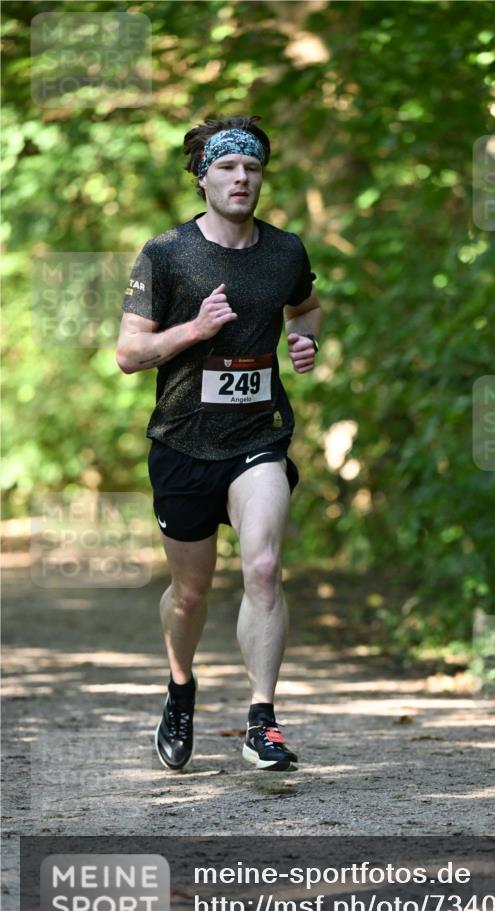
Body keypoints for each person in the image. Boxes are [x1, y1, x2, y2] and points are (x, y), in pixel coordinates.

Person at [116, 114, 321, 773]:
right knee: (190, 593)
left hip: (258, 437)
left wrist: (306, 339)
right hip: (181, 445)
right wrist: (194, 332)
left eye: (253, 168)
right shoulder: (166, 254)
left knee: (262, 567)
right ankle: (180, 691)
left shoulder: (285, 251)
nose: (242, 178)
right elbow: (128, 353)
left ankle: (262, 721)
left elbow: (305, 306)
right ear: (203, 176)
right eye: (229, 168)